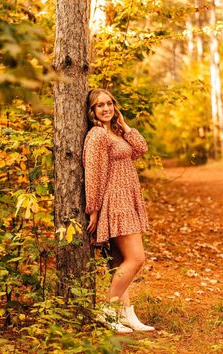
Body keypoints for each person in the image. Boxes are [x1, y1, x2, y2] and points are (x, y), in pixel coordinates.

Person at [82, 88, 155, 333]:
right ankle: (108, 310)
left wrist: (124, 126)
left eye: (109, 104)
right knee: (136, 259)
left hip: (128, 198)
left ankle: (127, 314)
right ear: (92, 111)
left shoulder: (115, 132)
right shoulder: (96, 136)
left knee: (120, 260)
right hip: (115, 201)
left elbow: (141, 149)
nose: (106, 109)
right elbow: (93, 172)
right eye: (99, 105)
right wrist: (93, 209)